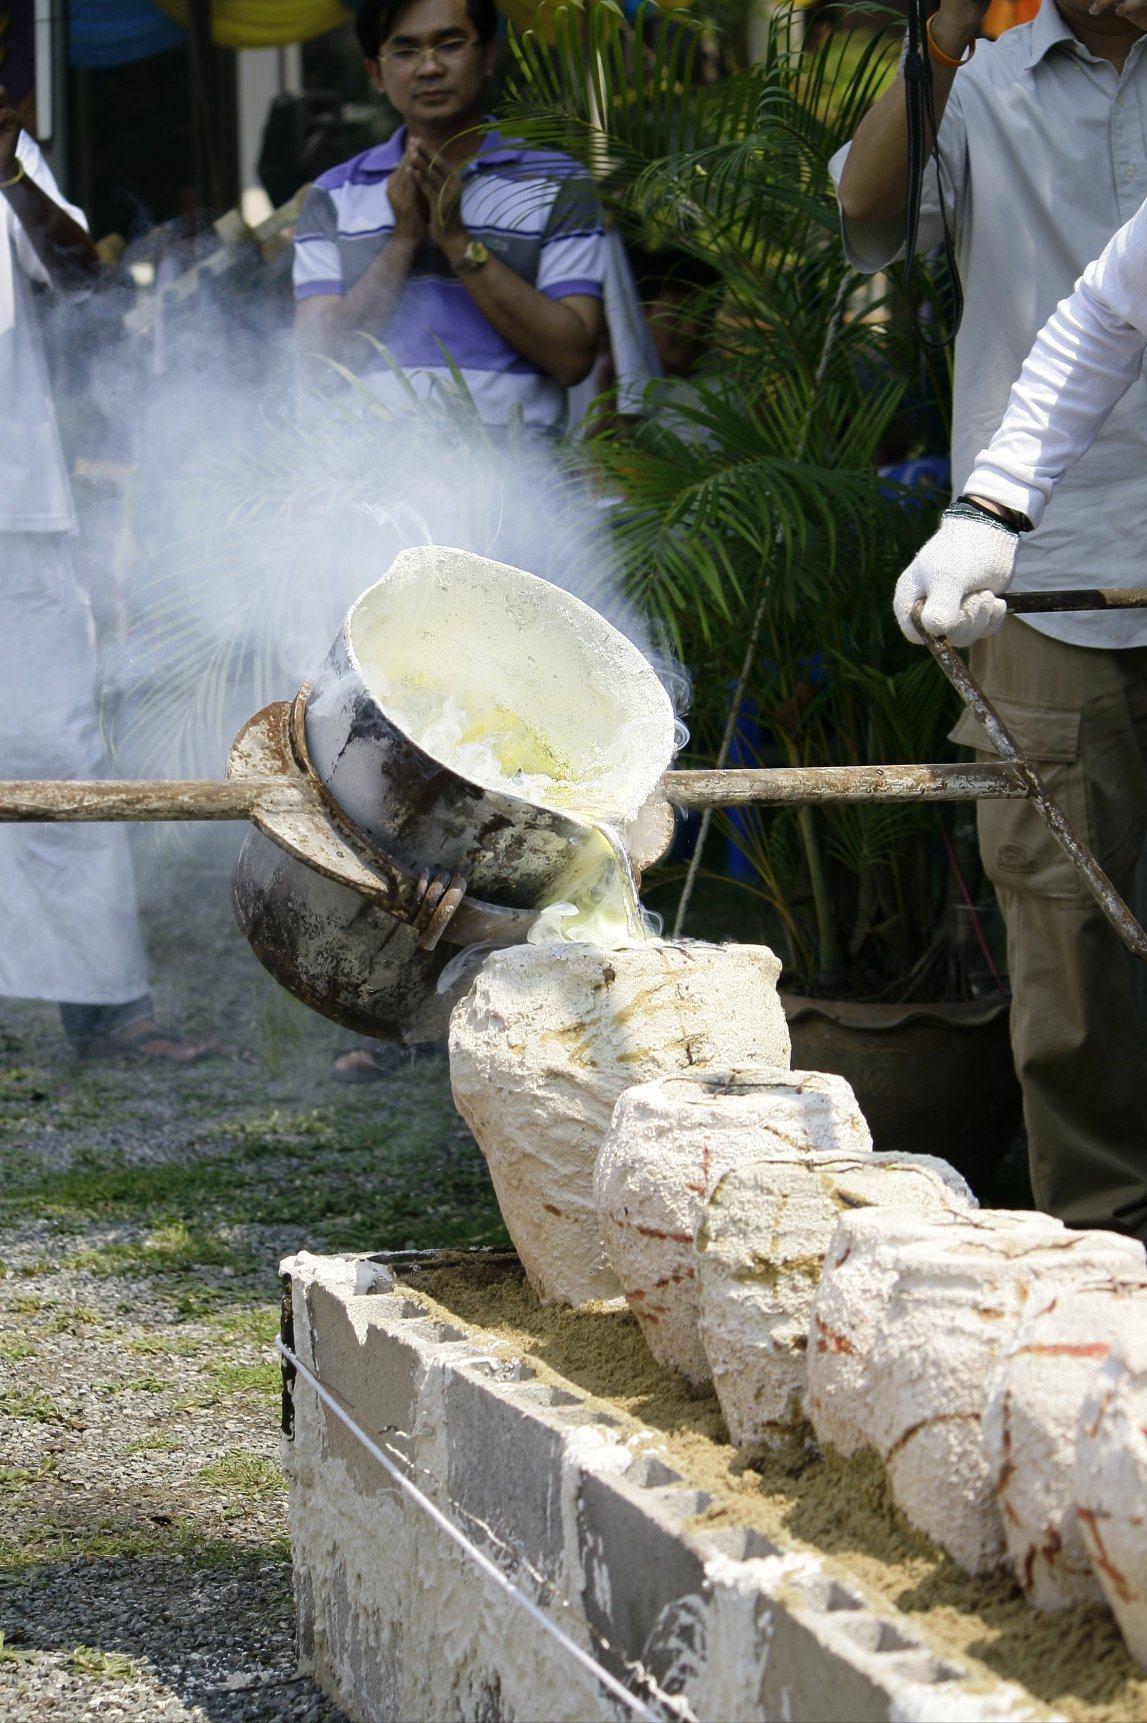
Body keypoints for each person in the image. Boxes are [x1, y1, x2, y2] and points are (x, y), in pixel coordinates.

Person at [832, 0, 1147, 1240]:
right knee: (1069, 951)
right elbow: (866, 218)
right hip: (1042, 574)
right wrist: (945, 30)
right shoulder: (981, 82)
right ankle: (1109, 1255)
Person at [0, 89, 208, 1062]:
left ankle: (103, 1006)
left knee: (55, 748)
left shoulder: (13, 158)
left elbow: (87, 281)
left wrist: (8, 165)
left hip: (17, 501)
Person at [292, 0, 606, 432]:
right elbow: (316, 367)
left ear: (488, 56)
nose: (429, 68)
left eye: (450, 44)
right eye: (405, 51)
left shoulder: (558, 184)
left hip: (520, 486)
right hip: (367, 485)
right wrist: (402, 242)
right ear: (376, 74)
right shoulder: (333, 195)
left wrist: (457, 240)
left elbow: (573, 358)